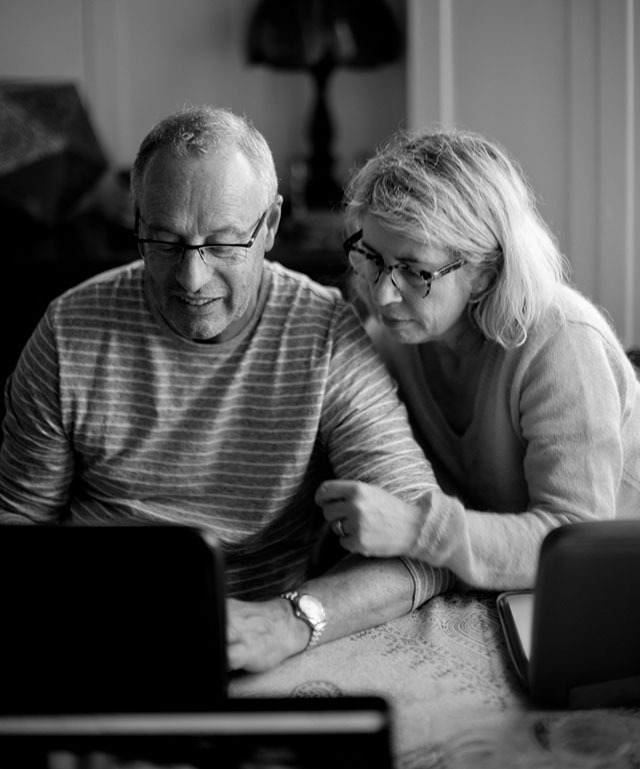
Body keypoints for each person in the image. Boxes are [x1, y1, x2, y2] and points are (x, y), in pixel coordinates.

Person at [0, 106, 452, 674]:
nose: (192, 279)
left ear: (269, 227)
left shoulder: (325, 339)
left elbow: (425, 547)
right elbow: (16, 531)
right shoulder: (68, 331)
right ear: (136, 221)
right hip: (87, 637)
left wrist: (292, 620)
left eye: (223, 244)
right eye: (164, 241)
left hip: (256, 648)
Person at [316, 127, 640, 590]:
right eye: (371, 257)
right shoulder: (388, 342)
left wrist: (415, 527)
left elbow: (575, 544)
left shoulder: (562, 341)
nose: (383, 294)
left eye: (414, 271)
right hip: (499, 586)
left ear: (485, 275)